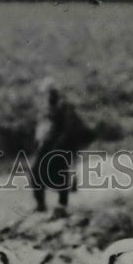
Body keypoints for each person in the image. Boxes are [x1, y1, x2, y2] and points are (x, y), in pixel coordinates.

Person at [29, 77, 94, 216]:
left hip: (63, 145)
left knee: (59, 172)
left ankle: (61, 204)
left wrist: (58, 146)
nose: (48, 96)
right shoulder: (48, 107)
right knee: (36, 170)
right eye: (46, 93)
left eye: (50, 92)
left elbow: (68, 129)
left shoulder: (64, 107)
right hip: (48, 143)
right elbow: (44, 126)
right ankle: (41, 204)